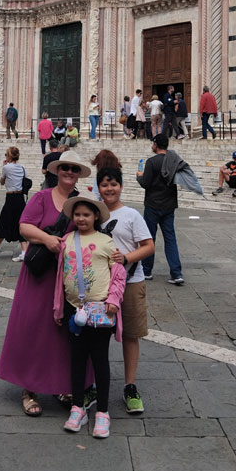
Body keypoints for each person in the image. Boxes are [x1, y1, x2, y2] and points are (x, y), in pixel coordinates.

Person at [0, 152, 92, 417]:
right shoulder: (41, 197)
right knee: (33, 327)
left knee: (62, 331)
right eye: (65, 168)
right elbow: (24, 227)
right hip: (40, 274)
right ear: (57, 170)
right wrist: (46, 239)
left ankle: (60, 385)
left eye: (74, 169)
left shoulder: (81, 202)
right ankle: (29, 389)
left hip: (68, 277)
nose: (69, 172)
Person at [54, 191, 126, 438]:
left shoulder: (106, 241)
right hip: (75, 310)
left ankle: (103, 412)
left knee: (99, 360)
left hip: (101, 311)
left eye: (86, 214)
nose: (81, 218)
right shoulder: (67, 239)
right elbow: (59, 277)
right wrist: (58, 307)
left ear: (96, 216)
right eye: (77, 214)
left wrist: (114, 299)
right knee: (76, 360)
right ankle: (78, 407)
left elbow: (118, 274)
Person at [97, 167, 154, 414]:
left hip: (131, 282)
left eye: (114, 184)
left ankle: (130, 385)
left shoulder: (131, 215)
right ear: (98, 187)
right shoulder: (94, 214)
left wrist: (126, 258)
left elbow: (149, 246)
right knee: (96, 336)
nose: (110, 189)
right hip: (99, 285)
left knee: (131, 335)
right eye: (105, 184)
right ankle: (91, 383)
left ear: (121, 186)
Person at [137, 133, 185, 285]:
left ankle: (147, 271)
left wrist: (139, 176)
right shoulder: (174, 162)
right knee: (170, 239)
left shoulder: (152, 162)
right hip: (169, 205)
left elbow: (145, 183)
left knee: (149, 238)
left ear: (156, 144)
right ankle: (176, 273)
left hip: (153, 205)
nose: (152, 146)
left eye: (153, 143)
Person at [0, 146, 28, 261]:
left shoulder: (6, 168)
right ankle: (24, 251)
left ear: (9, 156)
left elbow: (2, 182)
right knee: (20, 223)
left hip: (11, 197)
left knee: (3, 221)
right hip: (20, 198)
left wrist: (4, 166)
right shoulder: (23, 167)